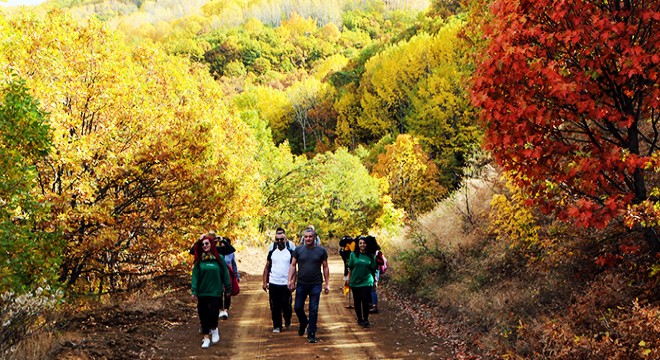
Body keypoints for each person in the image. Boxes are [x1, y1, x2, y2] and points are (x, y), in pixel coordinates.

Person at [288, 228, 330, 343]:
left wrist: (327, 283)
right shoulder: (298, 250)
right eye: (306, 237)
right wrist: (290, 280)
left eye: (310, 236)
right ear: (303, 238)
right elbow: (292, 265)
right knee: (297, 307)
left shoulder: (321, 251)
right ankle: (303, 323)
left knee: (313, 309)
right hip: (301, 283)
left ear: (315, 237)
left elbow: (325, 267)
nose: (308, 239)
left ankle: (311, 332)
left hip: (316, 284)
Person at [191, 234, 231, 348]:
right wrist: (194, 291)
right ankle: (206, 338)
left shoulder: (219, 258)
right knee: (203, 314)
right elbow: (195, 276)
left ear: (212, 244)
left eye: (207, 243)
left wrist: (228, 288)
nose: (205, 246)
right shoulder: (199, 260)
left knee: (213, 312)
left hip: (215, 292)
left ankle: (214, 329)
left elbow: (225, 273)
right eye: (203, 244)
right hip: (202, 292)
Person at [262, 232, 295, 333]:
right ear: (275, 241)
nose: (279, 242)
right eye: (277, 240)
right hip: (274, 282)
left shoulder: (290, 252)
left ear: (286, 240)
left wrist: (293, 281)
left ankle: (287, 318)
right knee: (274, 305)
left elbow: (294, 268)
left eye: (282, 240)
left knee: (286, 304)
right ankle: (277, 325)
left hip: (286, 283)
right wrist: (265, 282)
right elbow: (267, 268)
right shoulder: (272, 253)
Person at [347, 236, 377, 327]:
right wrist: (348, 278)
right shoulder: (353, 255)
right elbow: (350, 268)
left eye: (364, 243)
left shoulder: (371, 256)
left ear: (366, 244)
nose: (362, 245)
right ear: (358, 245)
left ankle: (366, 319)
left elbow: (373, 269)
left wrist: (375, 280)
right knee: (357, 300)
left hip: (367, 281)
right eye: (360, 243)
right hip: (355, 281)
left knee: (365, 299)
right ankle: (359, 319)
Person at [217, 236, 239, 319]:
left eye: (224, 244)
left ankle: (225, 310)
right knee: (219, 292)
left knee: (227, 292)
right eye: (221, 244)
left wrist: (236, 276)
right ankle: (220, 310)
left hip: (228, 274)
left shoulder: (230, 253)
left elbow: (234, 265)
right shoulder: (217, 252)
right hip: (218, 274)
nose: (223, 246)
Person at [364, 235, 383, 314]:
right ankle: (372, 305)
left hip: (373, 271)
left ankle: (373, 306)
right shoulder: (377, 251)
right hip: (376, 271)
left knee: (372, 289)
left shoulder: (371, 252)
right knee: (372, 289)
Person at [339, 236, 356, 308]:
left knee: (349, 285)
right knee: (350, 285)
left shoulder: (345, 250)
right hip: (350, 271)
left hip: (350, 271)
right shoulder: (346, 251)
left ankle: (350, 302)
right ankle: (349, 302)